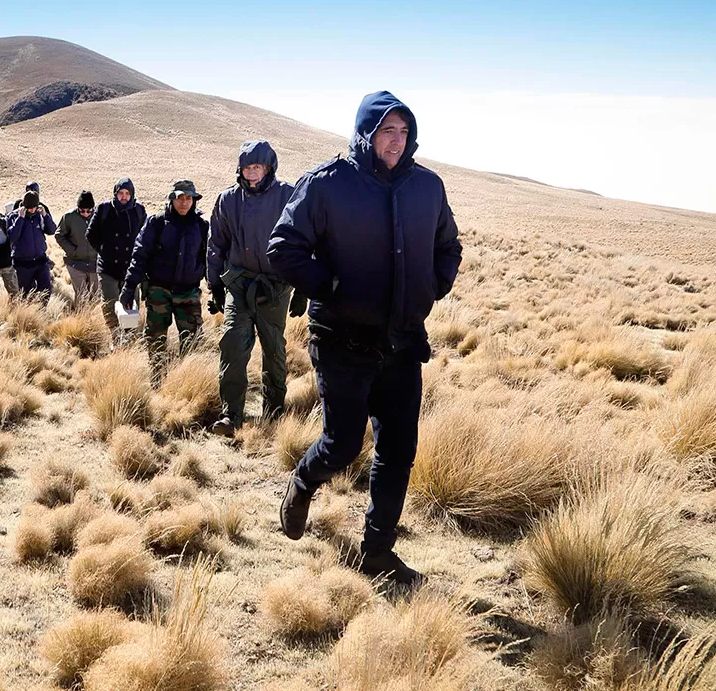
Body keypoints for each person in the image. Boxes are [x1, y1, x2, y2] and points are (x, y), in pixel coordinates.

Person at [268, 91, 462, 586]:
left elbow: (448, 245)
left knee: (399, 449)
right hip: (342, 340)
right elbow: (284, 248)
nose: (395, 141)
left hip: (401, 343)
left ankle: (376, 552)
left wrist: (433, 286)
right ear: (365, 133)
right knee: (343, 443)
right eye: (386, 131)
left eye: (403, 131)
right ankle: (304, 481)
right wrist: (330, 286)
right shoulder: (329, 185)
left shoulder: (427, 187)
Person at [206, 141, 304, 437]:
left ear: (268, 167)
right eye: (247, 168)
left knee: (274, 349)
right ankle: (230, 415)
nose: (251, 173)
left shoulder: (288, 195)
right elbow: (216, 245)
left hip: (275, 286)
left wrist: (304, 289)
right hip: (239, 283)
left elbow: (307, 241)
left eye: (257, 167)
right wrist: (214, 285)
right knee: (233, 343)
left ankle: (274, 412)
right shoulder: (228, 200)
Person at [122, 180, 209, 382]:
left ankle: (187, 384)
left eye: (189, 198)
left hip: (189, 293)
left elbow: (210, 258)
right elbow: (140, 255)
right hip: (159, 290)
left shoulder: (201, 226)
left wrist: (215, 287)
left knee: (193, 341)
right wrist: (129, 286)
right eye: (180, 198)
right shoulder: (157, 222)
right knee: (155, 339)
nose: (184, 203)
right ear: (172, 198)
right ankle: (158, 381)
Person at [86, 178, 146, 341]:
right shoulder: (104, 209)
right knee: (110, 304)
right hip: (108, 267)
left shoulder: (139, 211)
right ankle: (115, 336)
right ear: (115, 193)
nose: (124, 197)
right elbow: (90, 234)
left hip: (130, 268)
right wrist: (104, 250)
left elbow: (145, 237)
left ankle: (129, 338)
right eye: (121, 193)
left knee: (131, 306)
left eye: (127, 193)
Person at [7, 190, 57, 301]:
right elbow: (12, 237)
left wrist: (45, 216)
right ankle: (28, 315)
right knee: (25, 294)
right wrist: (20, 219)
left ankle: (41, 312)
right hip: (22, 263)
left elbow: (52, 230)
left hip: (40, 260)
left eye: (34, 207)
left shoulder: (39, 216)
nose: (32, 210)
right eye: (30, 208)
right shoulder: (13, 216)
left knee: (46, 290)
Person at [55, 191, 99, 309]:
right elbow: (59, 235)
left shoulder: (99, 217)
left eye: (89, 211)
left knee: (96, 296)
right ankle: (81, 322)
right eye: (82, 210)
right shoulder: (69, 217)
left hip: (95, 263)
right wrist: (72, 251)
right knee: (82, 295)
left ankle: (94, 321)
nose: (85, 213)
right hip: (75, 263)